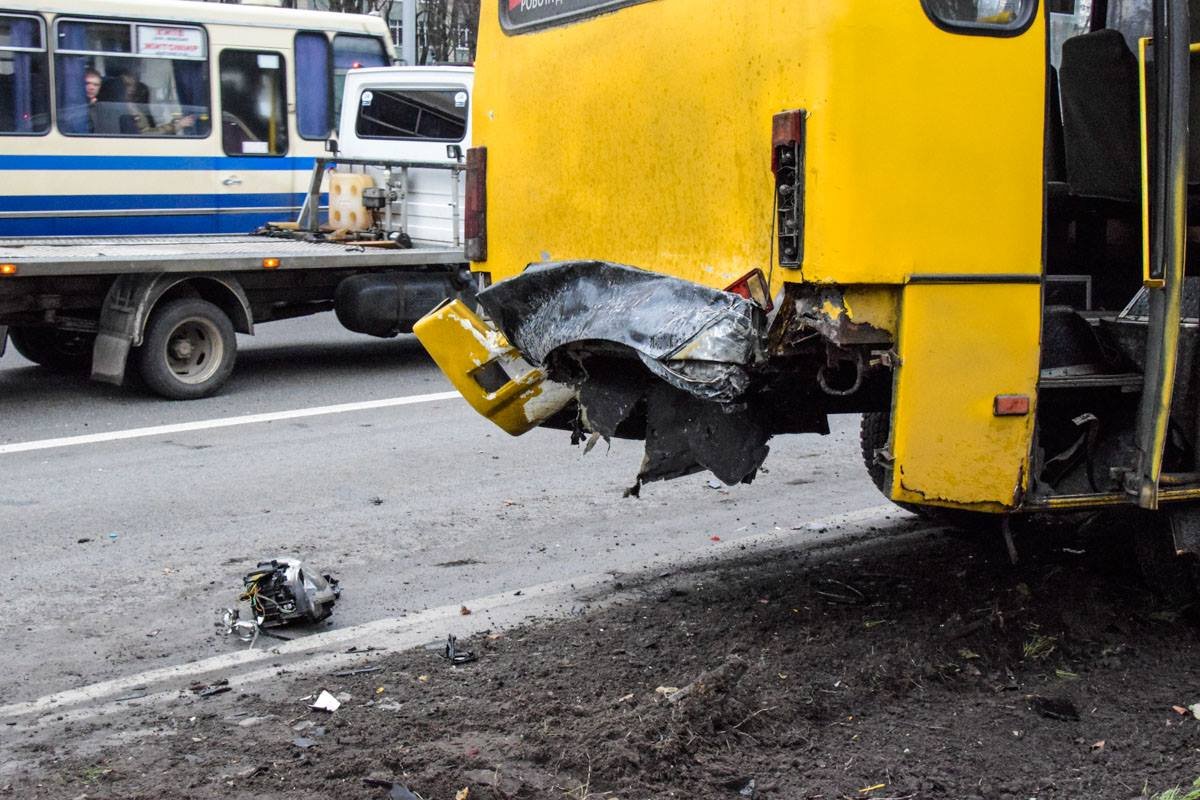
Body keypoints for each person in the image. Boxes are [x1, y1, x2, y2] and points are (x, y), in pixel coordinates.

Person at [119, 74, 195, 135]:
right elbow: (146, 134)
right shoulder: (126, 110)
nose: (132, 89)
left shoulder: (133, 106)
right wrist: (178, 125)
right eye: (127, 85)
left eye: (134, 85)